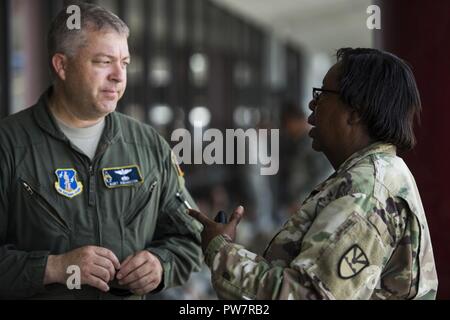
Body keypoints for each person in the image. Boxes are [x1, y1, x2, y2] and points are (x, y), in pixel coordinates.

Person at [189, 48, 438, 300]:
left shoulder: (365, 191)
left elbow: (308, 295)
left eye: (322, 95)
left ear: (355, 113)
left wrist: (220, 250)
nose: (311, 105)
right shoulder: (373, 175)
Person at [0, 3, 202, 299]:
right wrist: (54, 268)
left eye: (125, 62)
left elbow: (191, 238)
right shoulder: (9, 145)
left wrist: (161, 265)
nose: (119, 76)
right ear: (62, 65)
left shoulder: (149, 145)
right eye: (103, 62)